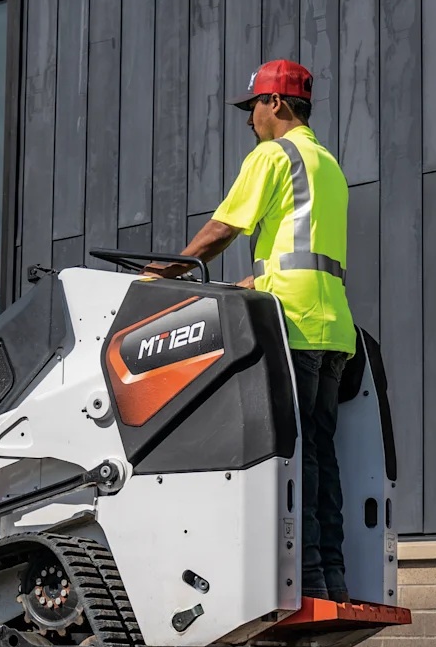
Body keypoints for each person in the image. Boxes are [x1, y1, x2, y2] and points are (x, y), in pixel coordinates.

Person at [141, 59, 356, 603]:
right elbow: (300, 252)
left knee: (293, 454)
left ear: (275, 103)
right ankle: (332, 576)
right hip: (332, 327)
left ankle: (307, 580)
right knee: (322, 454)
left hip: (294, 323)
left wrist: (160, 274)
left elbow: (222, 229)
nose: (248, 119)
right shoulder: (327, 164)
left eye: (253, 106)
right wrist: (245, 283)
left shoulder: (273, 155)